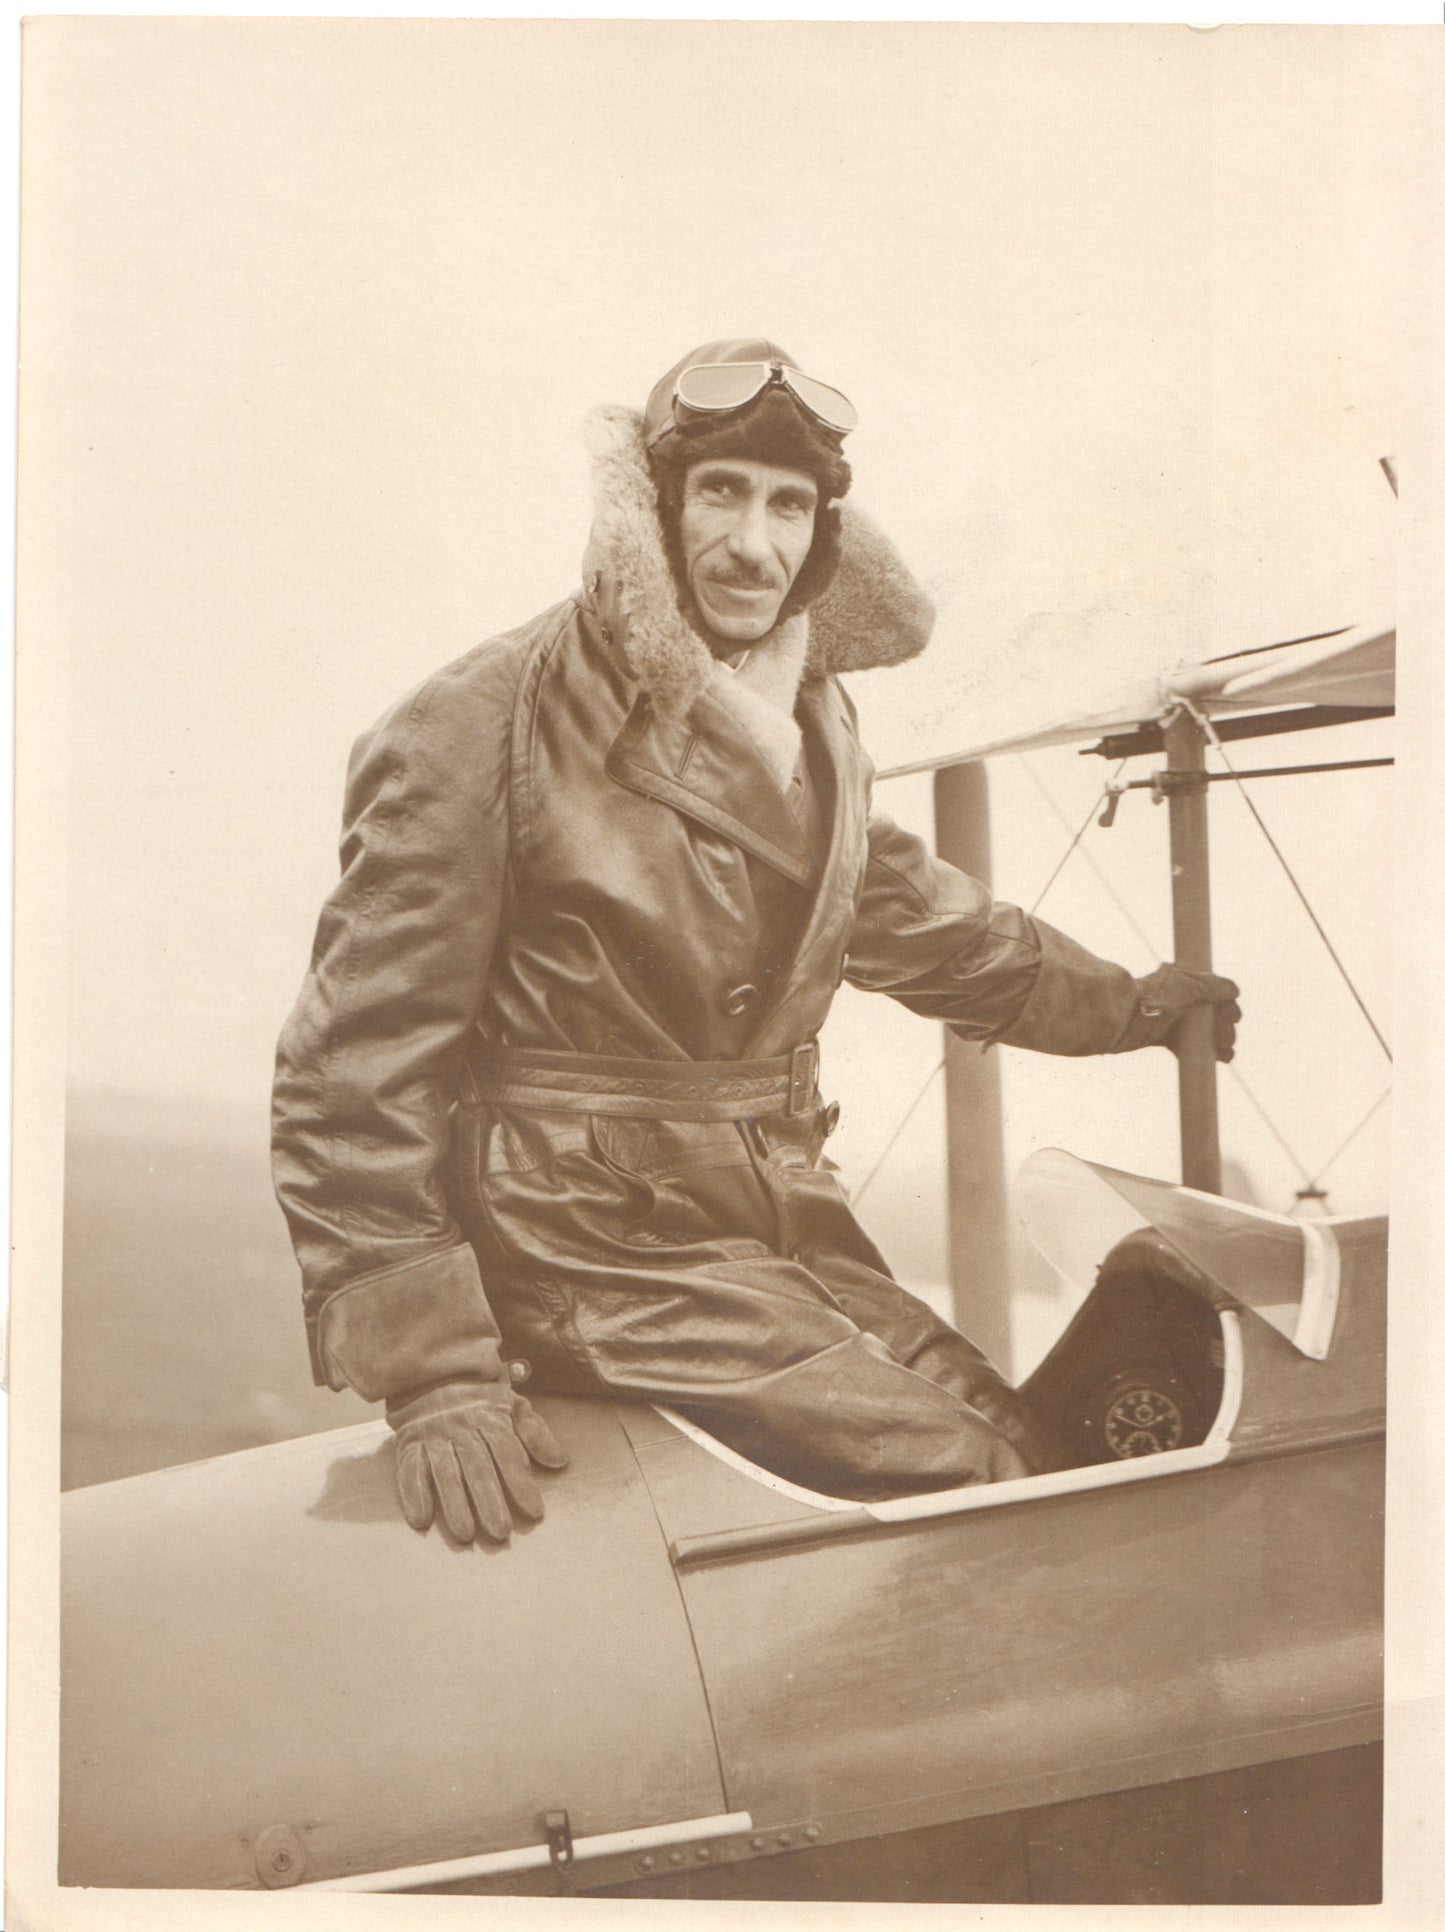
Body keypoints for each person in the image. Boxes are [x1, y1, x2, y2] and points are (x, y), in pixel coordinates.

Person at [272, 338, 1240, 1546]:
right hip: (584, 1238)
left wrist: (1124, 1008)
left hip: (763, 1211)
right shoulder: (484, 716)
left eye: (787, 504)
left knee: (1034, 1449)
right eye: (718, 493)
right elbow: (347, 1067)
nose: (751, 543)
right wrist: (433, 1374)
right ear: (654, 509)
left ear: (824, 531)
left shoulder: (805, 705)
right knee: (975, 1480)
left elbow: (897, 906)